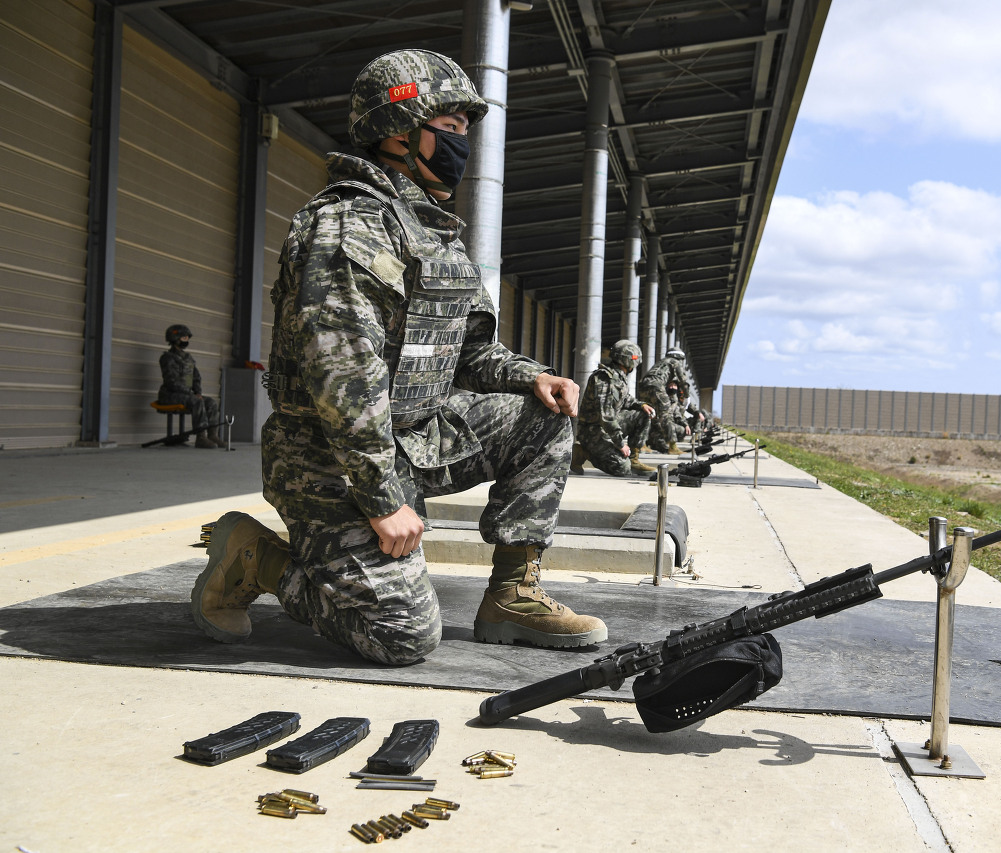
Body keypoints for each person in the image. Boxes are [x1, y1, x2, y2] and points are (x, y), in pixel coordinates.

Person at [190, 49, 606, 665]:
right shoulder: (345, 227)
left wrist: (533, 375)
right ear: (397, 130)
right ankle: (260, 558)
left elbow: (473, 352)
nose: (463, 145)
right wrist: (384, 500)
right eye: (451, 129)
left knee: (540, 415)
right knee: (401, 635)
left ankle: (513, 597)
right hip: (329, 459)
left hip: (415, 437)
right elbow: (344, 383)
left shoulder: (433, 234)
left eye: (464, 131)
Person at [572, 340, 657, 477]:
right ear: (628, 361)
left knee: (643, 414)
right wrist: (620, 444)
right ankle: (582, 452)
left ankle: (634, 459)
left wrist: (642, 405)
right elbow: (606, 417)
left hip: (604, 427)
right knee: (622, 468)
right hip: (592, 432)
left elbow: (626, 399)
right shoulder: (604, 378)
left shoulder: (618, 377)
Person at [158, 324, 225, 448]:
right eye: (184, 338)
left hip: (186, 395)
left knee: (210, 402)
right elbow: (171, 382)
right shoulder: (167, 358)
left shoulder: (188, 358)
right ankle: (201, 438)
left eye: (187, 338)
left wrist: (197, 392)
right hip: (169, 395)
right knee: (196, 402)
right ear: (175, 339)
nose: (186, 341)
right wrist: (192, 395)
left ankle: (212, 435)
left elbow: (196, 378)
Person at [637, 347, 690, 454]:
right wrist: (687, 396)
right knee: (666, 415)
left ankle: (641, 445)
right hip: (656, 386)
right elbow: (682, 380)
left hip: (643, 385)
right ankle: (673, 446)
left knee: (646, 414)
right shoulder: (674, 362)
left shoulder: (661, 362)